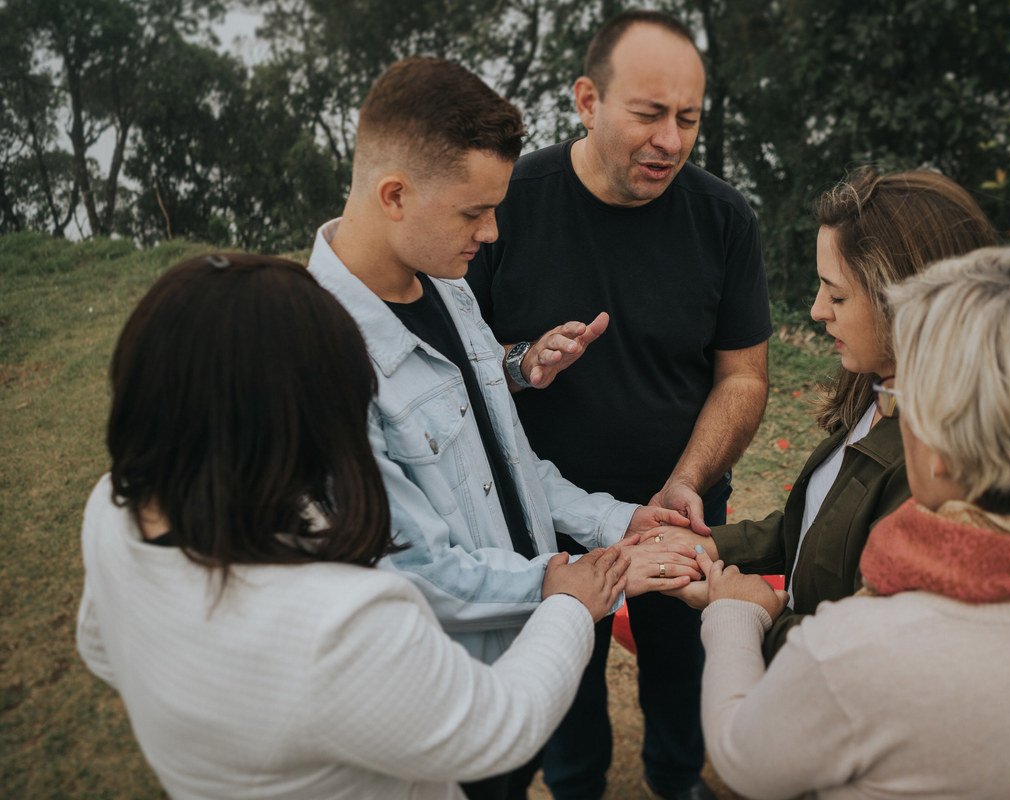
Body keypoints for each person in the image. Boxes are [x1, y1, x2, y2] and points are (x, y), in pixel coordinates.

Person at [76, 253, 634, 799]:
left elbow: (101, 648)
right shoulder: (339, 622)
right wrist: (566, 602)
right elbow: (497, 727)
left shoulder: (112, 507)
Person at [305, 57, 700, 799]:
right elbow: (414, 571)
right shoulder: (322, 357)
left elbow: (512, 464)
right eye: (471, 213)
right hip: (455, 692)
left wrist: (620, 521)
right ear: (394, 195)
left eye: (497, 209)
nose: (491, 234)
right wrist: (578, 581)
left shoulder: (449, 292)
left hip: (529, 651)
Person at [692, 242, 1010, 799]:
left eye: (898, 398)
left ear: (938, 447)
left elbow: (742, 759)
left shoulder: (860, 650)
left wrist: (737, 617)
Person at [467, 11, 771, 800]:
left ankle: (676, 781)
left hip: (680, 511)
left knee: (682, 668)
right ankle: (578, 788)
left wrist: (688, 482)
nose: (670, 139)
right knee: (565, 679)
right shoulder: (507, 206)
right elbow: (460, 371)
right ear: (588, 101)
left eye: (689, 119)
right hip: (546, 517)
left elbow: (743, 377)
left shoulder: (725, 219)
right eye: (648, 114)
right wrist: (520, 360)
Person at [655, 167, 996, 660]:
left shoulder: (936, 465)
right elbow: (823, 524)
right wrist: (710, 547)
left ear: (907, 305)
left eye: (837, 295)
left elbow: (873, 649)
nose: (817, 310)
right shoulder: (877, 391)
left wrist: (751, 615)